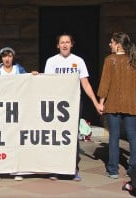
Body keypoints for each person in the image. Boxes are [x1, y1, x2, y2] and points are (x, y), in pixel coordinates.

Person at [44, 33, 102, 181]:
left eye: (67, 42)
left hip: (74, 103)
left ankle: (72, 169)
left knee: (72, 136)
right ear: (57, 45)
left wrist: (96, 103)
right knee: (56, 136)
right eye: (62, 42)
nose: (64, 45)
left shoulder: (78, 61)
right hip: (56, 104)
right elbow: (46, 84)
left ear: (71, 44)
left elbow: (86, 85)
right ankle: (54, 168)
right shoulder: (51, 62)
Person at [0, 47, 37, 181]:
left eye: (10, 56)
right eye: (4, 56)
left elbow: (28, 81)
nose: (7, 59)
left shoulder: (19, 70)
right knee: (0, 141)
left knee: (16, 141)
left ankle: (16, 170)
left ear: (13, 57)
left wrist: (33, 76)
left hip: (16, 109)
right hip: (1, 110)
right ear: (1, 58)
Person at [97, 32, 136, 179]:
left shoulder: (110, 60)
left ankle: (113, 170)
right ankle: (134, 168)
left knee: (114, 136)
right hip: (130, 104)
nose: (110, 45)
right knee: (132, 135)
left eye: (111, 42)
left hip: (112, 104)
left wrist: (101, 102)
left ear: (118, 44)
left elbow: (105, 83)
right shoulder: (134, 60)